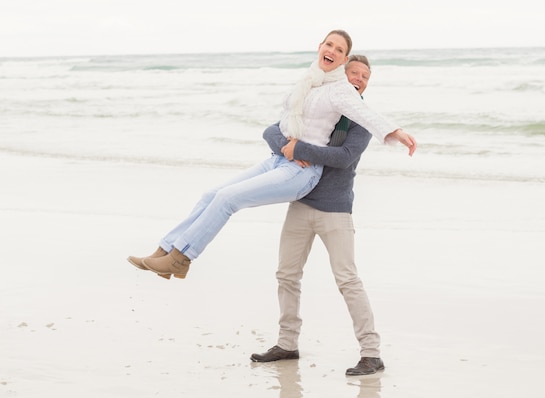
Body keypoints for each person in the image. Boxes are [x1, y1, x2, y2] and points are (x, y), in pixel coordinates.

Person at [127, 29, 416, 279]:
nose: (332, 50)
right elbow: (278, 124)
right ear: (320, 47)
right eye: (329, 44)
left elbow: (366, 115)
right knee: (211, 194)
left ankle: (182, 258)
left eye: (340, 50)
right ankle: (165, 249)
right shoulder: (311, 80)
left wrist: (397, 132)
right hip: (279, 160)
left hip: (302, 171)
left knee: (228, 199)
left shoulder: (341, 90)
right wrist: (285, 144)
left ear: (343, 59)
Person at [250, 55, 387, 376]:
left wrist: (296, 149)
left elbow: (343, 157)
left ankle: (371, 353)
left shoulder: (361, 118)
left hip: (336, 210)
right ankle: (287, 344)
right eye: (354, 72)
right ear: (340, 76)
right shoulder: (314, 105)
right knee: (286, 275)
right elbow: (272, 130)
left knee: (348, 280)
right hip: (300, 203)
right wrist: (285, 143)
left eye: (365, 76)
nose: (359, 79)